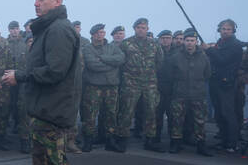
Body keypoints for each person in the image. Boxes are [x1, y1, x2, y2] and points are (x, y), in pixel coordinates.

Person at [3, 0, 79, 165]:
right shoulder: (54, 28)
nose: (37, 3)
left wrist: (20, 76)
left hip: (50, 111)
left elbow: (55, 71)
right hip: (51, 109)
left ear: (57, 1)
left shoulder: (58, 30)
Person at [115, 18, 165, 152]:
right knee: (126, 111)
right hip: (131, 83)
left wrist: (149, 74)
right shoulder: (126, 43)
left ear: (147, 29)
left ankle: (150, 140)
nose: (141, 30)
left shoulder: (154, 44)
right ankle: (122, 139)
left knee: (151, 111)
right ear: (134, 29)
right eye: (138, 27)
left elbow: (160, 62)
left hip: (150, 83)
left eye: (143, 27)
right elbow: (120, 62)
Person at [167, 29, 213, 156]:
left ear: (196, 42)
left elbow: (207, 74)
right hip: (179, 94)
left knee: (200, 121)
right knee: (177, 120)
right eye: (187, 40)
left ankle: (201, 145)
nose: (189, 43)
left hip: (198, 94)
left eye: (192, 41)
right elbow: (170, 75)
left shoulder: (204, 57)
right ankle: (176, 143)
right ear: (184, 42)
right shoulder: (175, 57)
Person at [81, 24, 125, 152]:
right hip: (94, 87)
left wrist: (103, 59)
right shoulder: (87, 48)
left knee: (111, 114)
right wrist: (112, 65)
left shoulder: (112, 47)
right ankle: (88, 140)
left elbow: (121, 59)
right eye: (98, 32)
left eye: (102, 32)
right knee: (90, 114)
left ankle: (109, 140)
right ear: (93, 34)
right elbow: (93, 65)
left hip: (111, 86)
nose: (101, 34)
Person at [204, 19, 243, 153]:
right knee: (219, 112)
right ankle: (224, 140)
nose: (225, 31)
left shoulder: (235, 45)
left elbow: (222, 60)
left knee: (228, 112)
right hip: (216, 80)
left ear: (233, 31)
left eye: (228, 29)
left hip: (227, 83)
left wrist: (209, 50)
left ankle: (232, 143)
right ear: (219, 30)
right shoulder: (221, 43)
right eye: (223, 29)